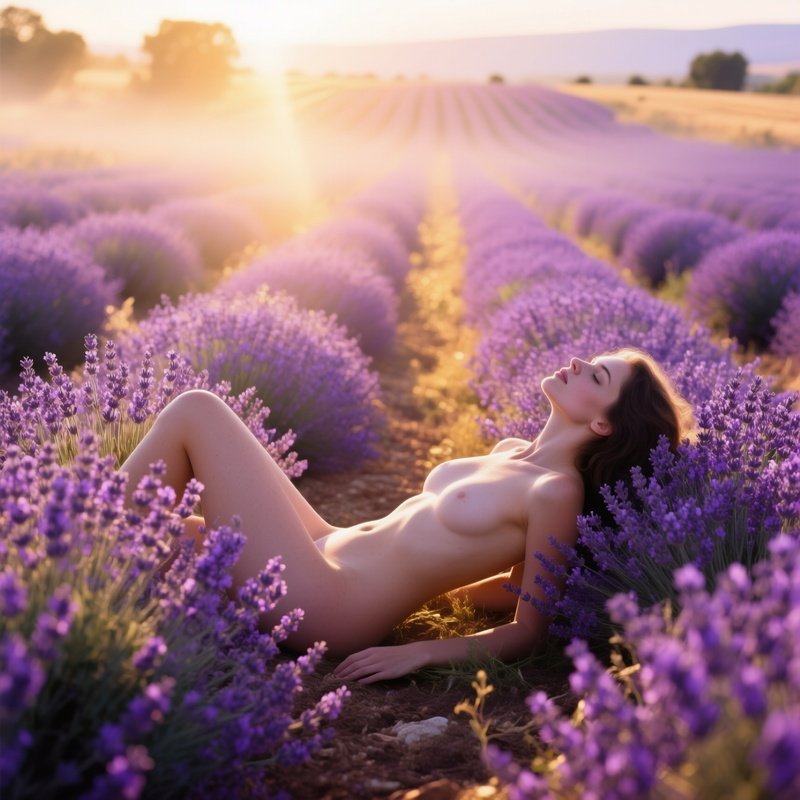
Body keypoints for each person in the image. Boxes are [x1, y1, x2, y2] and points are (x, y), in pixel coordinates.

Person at [120, 347, 691, 683]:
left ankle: (80, 542)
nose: (579, 362)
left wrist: (417, 652)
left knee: (199, 410)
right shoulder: (511, 452)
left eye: (597, 376)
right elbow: (510, 586)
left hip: (331, 602)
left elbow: (529, 625)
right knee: (175, 536)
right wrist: (445, 586)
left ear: (603, 424)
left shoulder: (555, 492)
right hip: (325, 543)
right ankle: (92, 567)